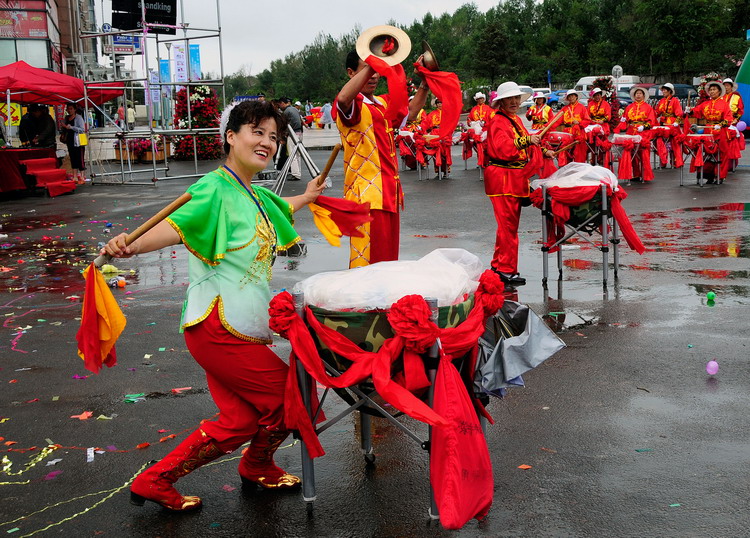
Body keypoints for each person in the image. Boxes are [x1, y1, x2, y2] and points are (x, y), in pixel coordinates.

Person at [102, 99, 326, 512]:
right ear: (231, 136)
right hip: (219, 326)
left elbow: (280, 208)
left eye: (273, 137)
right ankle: (257, 464)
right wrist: (129, 246)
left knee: (240, 421)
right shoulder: (214, 189)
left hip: (239, 325)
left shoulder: (254, 193)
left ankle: (156, 480)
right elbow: (173, 227)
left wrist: (307, 197)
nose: (267, 142)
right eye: (257, 132)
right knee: (293, 400)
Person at [334, 49, 429, 268]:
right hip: (365, 193)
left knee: (387, 260)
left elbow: (411, 113)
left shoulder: (382, 103)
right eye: (368, 70)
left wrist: (425, 83)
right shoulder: (352, 103)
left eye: (378, 71)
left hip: (388, 191)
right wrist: (373, 64)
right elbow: (343, 98)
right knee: (367, 263)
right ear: (351, 73)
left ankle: (384, 302)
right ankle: (364, 302)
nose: (375, 76)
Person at [485, 82, 554, 286]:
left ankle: (499, 266)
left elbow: (527, 140)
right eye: (510, 99)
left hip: (513, 178)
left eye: (516, 98)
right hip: (503, 178)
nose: (514, 102)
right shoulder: (498, 121)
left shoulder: (513, 119)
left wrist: (542, 151)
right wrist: (527, 142)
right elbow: (504, 148)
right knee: (508, 227)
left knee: (507, 227)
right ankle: (506, 270)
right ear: (502, 102)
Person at [687, 80, 733, 183]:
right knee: (706, 152)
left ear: (719, 91)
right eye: (710, 90)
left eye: (714, 89)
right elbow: (696, 111)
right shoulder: (705, 104)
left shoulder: (724, 104)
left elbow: (728, 119)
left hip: (720, 131)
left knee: (721, 154)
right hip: (708, 131)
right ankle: (709, 175)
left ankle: (720, 176)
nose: (712, 91)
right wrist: (689, 110)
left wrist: (720, 125)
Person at [616, 86, 657, 181]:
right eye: (636, 94)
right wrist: (620, 125)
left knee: (643, 153)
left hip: (643, 132)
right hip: (631, 131)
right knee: (632, 153)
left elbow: (652, 122)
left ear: (643, 96)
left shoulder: (648, 107)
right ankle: (636, 174)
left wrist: (644, 127)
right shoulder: (629, 107)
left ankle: (645, 174)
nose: (638, 95)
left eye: (640, 93)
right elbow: (624, 119)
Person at [548, 89, 590, 165]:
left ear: (576, 97)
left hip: (579, 133)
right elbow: (556, 120)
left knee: (579, 153)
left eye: (573, 96)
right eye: (569, 96)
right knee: (565, 151)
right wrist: (546, 127)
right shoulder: (564, 109)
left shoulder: (582, 108)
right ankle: (565, 167)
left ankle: (579, 169)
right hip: (567, 133)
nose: (571, 98)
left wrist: (579, 123)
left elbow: (587, 121)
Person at [654, 83, 684, 168]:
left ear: (669, 91)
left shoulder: (675, 100)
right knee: (661, 142)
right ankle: (663, 161)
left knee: (674, 143)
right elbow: (657, 112)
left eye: (664, 90)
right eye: (662, 90)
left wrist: (677, 122)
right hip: (663, 124)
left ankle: (675, 162)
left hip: (672, 124)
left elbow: (679, 113)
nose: (663, 91)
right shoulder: (661, 101)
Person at [422, 99, 452, 178]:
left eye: (441, 103)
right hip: (434, 134)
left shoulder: (448, 113)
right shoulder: (432, 114)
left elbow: (451, 124)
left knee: (445, 153)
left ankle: (445, 170)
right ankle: (438, 171)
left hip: (445, 133)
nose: (439, 104)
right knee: (435, 152)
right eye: (438, 103)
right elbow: (426, 124)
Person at [60, 104, 87, 184]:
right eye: (68, 109)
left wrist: (71, 127)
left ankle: (82, 176)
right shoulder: (66, 118)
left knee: (80, 158)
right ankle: (75, 176)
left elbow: (82, 129)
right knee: (73, 158)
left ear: (75, 109)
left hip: (78, 141)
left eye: (71, 109)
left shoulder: (78, 118)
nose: (69, 110)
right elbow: (64, 128)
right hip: (70, 141)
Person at [277, 97, 303, 180]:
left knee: (292, 154)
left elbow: (284, 125)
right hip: (299, 133)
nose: (280, 106)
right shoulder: (294, 109)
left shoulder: (286, 111)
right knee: (298, 154)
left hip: (293, 134)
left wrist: (283, 136)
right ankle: (298, 172)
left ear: (282, 103)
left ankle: (295, 174)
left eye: (280, 104)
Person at [586, 88, 611, 165]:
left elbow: (608, 115)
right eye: (595, 95)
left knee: (602, 143)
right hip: (593, 125)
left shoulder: (606, 104)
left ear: (601, 95)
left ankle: (602, 160)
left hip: (603, 125)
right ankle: (593, 160)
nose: (597, 96)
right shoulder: (590, 104)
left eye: (598, 95)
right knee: (592, 144)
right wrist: (590, 120)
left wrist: (602, 120)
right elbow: (587, 115)